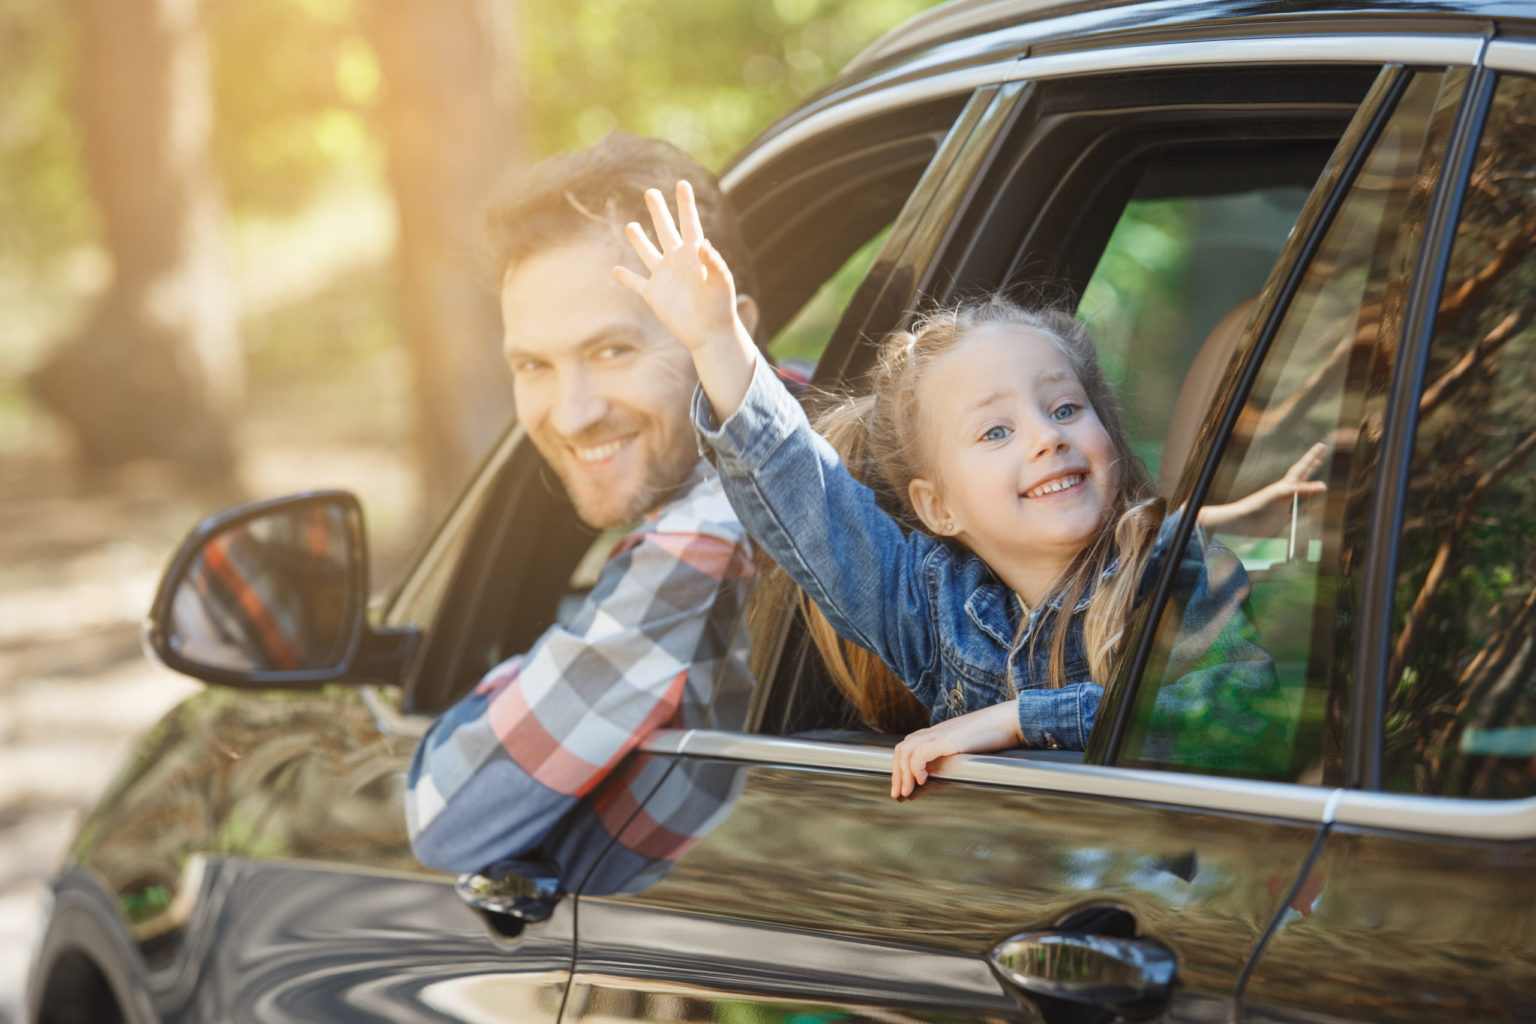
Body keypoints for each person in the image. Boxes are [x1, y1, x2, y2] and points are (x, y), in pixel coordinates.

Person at [616, 181, 1315, 799]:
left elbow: (1238, 729)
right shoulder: (931, 610)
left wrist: (1018, 721)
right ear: (937, 507)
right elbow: (803, 495)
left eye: (1065, 408)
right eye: (996, 431)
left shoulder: (1178, 572)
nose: (1047, 437)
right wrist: (716, 341)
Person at [404, 138, 762, 874]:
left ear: (730, 329)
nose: (571, 415)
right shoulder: (815, 400)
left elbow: (446, 813)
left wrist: (537, 667)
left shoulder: (710, 531)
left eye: (612, 351)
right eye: (534, 365)